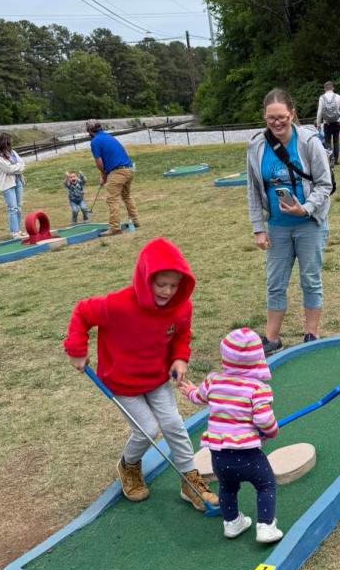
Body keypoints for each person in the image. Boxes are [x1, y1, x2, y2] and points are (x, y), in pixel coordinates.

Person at [64, 237, 218, 512]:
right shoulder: (118, 305)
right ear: (146, 279)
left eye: (174, 285)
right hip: (121, 382)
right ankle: (129, 465)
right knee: (147, 429)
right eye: (161, 284)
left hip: (157, 378)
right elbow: (82, 312)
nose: (168, 291)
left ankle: (189, 480)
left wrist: (180, 357)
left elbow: (181, 333)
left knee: (173, 424)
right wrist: (77, 348)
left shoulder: (181, 306)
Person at [247, 87, 332, 356]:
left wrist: (305, 209)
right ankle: (272, 338)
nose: (277, 122)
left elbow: (324, 184)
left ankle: (312, 333)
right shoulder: (257, 146)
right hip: (277, 226)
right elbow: (251, 189)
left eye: (282, 116)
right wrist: (258, 228)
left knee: (310, 278)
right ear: (264, 117)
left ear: (292, 114)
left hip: (309, 224)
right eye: (271, 117)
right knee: (275, 282)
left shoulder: (309, 142)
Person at [179, 327, 282, 543]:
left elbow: (198, 397)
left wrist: (189, 390)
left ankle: (232, 523)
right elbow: (264, 420)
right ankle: (266, 527)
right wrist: (272, 431)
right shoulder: (257, 388)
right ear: (258, 359)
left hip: (219, 456)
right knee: (265, 485)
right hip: (248, 456)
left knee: (227, 487)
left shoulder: (213, 381)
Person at [86, 119, 139, 236]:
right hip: (129, 169)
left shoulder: (95, 141)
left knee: (112, 199)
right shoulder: (108, 136)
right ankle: (135, 221)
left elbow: (99, 162)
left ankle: (115, 228)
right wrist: (105, 174)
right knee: (126, 196)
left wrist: (104, 174)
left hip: (118, 171)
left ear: (90, 131)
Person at [0, 133, 26, 239]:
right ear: (4, 142)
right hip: (7, 184)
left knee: (19, 208)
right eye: (8, 141)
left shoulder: (13, 153)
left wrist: (16, 167)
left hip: (18, 181)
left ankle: (19, 230)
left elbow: (23, 164)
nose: (10, 143)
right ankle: (14, 232)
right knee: (12, 208)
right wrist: (18, 167)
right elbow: (8, 169)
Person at [315, 81, 340, 165]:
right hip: (336, 122)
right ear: (333, 88)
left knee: (328, 142)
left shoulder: (322, 98)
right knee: (336, 142)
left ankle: (330, 158)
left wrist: (318, 125)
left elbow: (319, 112)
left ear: (324, 89)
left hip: (327, 123)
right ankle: (336, 160)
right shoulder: (338, 97)